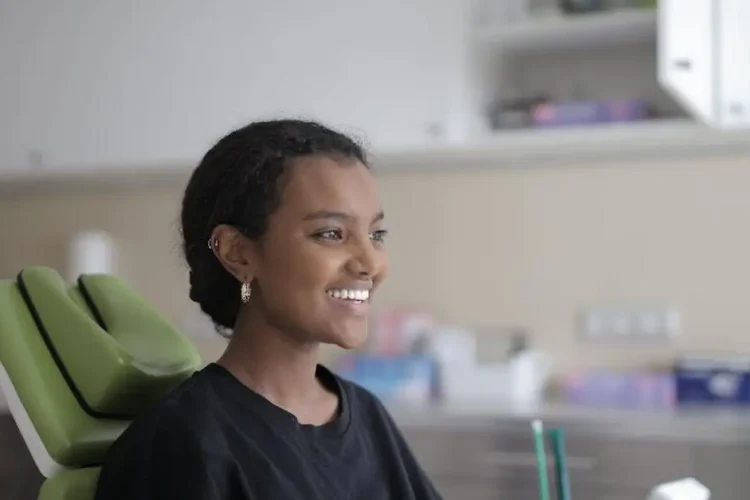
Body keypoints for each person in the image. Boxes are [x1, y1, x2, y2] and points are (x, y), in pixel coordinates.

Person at [93, 119, 443, 500]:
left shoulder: (365, 414)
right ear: (237, 253)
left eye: (375, 235)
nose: (369, 263)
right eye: (331, 234)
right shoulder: (179, 446)